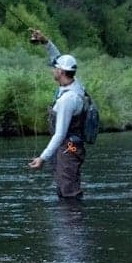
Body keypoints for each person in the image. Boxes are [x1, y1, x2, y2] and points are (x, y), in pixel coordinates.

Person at [27, 28, 87, 199]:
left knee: (68, 189)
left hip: (69, 147)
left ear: (61, 72)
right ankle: (67, 223)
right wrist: (45, 42)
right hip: (70, 145)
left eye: (55, 68)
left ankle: (73, 223)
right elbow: (57, 58)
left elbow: (60, 134)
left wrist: (42, 158)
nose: (52, 70)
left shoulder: (67, 100)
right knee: (65, 184)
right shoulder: (74, 84)